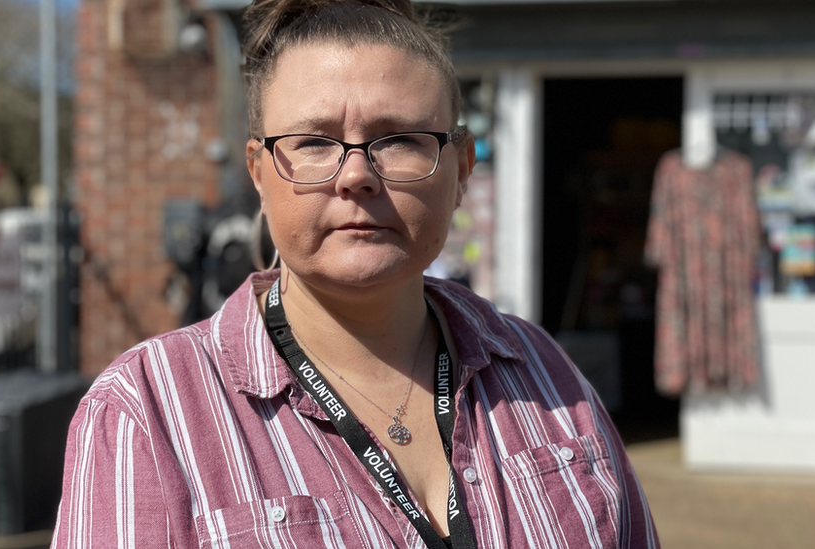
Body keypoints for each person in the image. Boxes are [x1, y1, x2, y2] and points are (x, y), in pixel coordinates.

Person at [51, 0, 660, 547]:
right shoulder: (148, 415)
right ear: (260, 173)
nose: (356, 175)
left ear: (462, 169)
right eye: (314, 142)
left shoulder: (542, 369)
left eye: (398, 139)